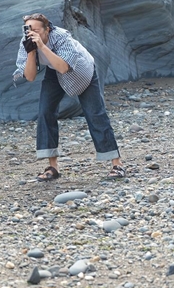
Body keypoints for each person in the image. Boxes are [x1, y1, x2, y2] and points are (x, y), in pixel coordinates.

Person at [14, 13, 124, 181]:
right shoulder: (26, 42)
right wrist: (31, 52)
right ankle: (53, 167)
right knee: (45, 112)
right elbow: (30, 77)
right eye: (28, 29)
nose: (31, 33)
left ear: (47, 30)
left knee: (95, 114)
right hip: (54, 70)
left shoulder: (62, 38)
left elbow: (64, 68)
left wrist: (42, 47)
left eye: (36, 29)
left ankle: (117, 164)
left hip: (80, 69)